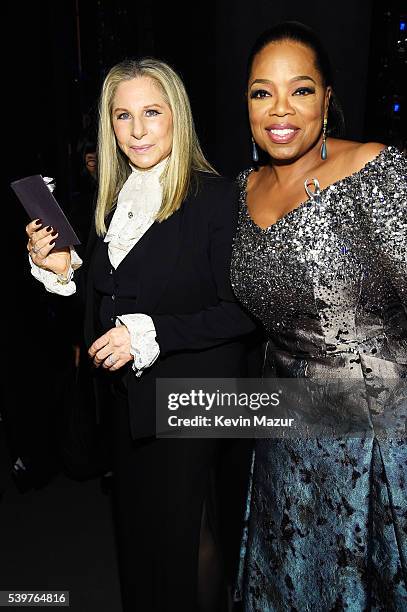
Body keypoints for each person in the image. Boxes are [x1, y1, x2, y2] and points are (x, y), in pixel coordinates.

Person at [26, 58, 255, 612]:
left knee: (186, 543)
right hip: (127, 406)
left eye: (151, 112)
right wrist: (63, 270)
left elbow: (243, 312)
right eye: (122, 116)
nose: (136, 130)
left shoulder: (219, 200)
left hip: (191, 403)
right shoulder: (113, 197)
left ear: (178, 116)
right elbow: (114, 300)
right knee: (138, 540)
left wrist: (148, 336)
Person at [230, 22, 407, 611]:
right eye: (262, 92)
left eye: (300, 90)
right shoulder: (238, 192)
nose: (281, 109)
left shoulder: (376, 171)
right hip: (286, 440)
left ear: (327, 98)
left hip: (378, 437)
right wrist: (65, 269)